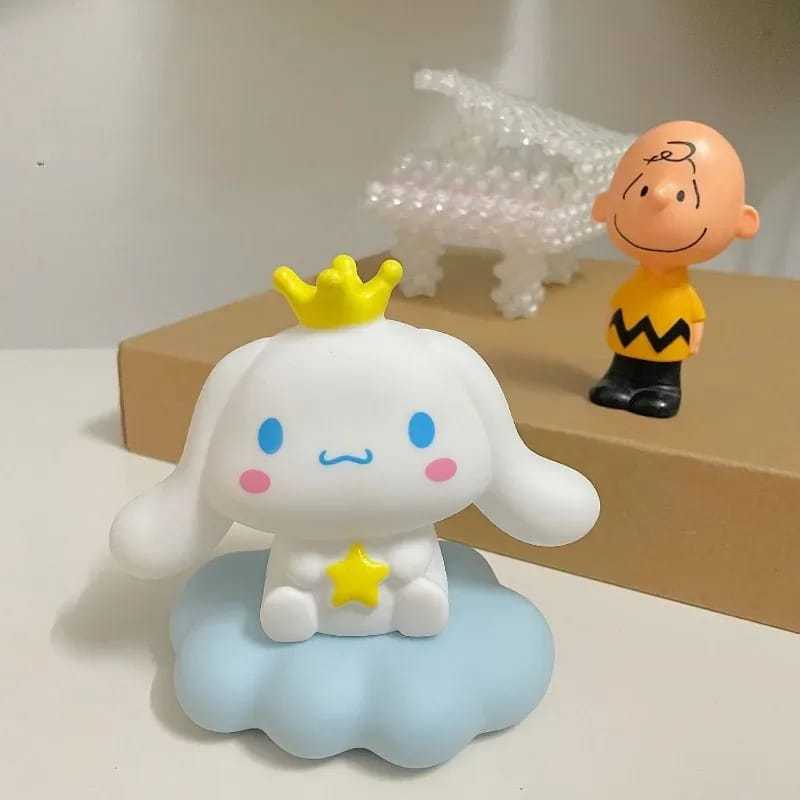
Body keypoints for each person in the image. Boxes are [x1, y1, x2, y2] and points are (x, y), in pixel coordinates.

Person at [589, 120, 759, 417]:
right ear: (603, 205)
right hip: (627, 337)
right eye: (642, 190)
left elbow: (696, 317)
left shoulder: (683, 295)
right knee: (623, 363)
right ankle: (619, 380)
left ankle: (662, 389)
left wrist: (694, 337)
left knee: (663, 371)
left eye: (683, 196)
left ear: (744, 222)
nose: (658, 196)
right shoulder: (634, 285)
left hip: (669, 342)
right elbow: (618, 305)